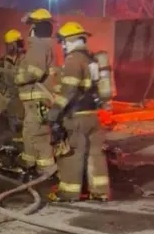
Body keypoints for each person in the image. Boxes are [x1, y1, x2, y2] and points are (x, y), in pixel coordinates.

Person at [46, 21, 111, 202]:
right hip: (93, 116)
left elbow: (69, 90)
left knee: (72, 155)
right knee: (95, 155)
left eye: (63, 42)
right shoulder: (92, 60)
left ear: (69, 41)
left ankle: (69, 192)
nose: (63, 46)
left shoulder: (73, 60)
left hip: (76, 117)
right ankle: (100, 192)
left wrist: (55, 111)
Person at [15, 8, 58, 180]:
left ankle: (47, 169)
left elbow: (34, 72)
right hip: (34, 99)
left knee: (38, 134)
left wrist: (19, 78)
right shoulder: (42, 46)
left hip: (37, 98)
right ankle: (29, 162)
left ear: (35, 27)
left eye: (31, 25)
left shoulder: (39, 46)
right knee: (30, 131)